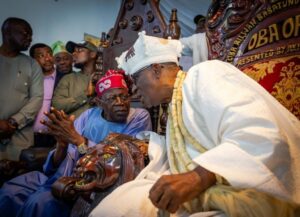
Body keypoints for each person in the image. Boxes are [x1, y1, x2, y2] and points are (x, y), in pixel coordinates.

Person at [89, 32, 300, 217]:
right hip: (208, 191)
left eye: (135, 79)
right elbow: (191, 149)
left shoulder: (205, 75)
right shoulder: (175, 100)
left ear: (155, 70)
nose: (134, 90)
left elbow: (261, 134)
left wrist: (197, 178)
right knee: (116, 206)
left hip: (251, 193)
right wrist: (148, 143)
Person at [0, 69, 152, 217]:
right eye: (112, 98)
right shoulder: (88, 115)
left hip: (93, 185)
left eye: (124, 97)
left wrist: (77, 139)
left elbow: (127, 158)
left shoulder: (138, 117)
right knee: (10, 191)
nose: (120, 103)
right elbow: (67, 157)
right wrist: (62, 145)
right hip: (64, 175)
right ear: (99, 102)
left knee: (40, 202)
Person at [0, 17, 43, 160]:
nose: (30, 38)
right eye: (25, 34)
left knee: (18, 179)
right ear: (7, 33)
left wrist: (13, 122)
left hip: (20, 139)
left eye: (31, 35)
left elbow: (37, 98)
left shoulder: (32, 64)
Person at [52, 40, 98, 118]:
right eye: (73, 51)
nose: (74, 54)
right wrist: (86, 95)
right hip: (72, 129)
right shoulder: (68, 79)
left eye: (79, 50)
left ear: (92, 54)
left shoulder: (106, 77)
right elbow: (57, 106)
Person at [29, 43, 57, 147]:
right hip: (30, 137)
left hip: (56, 138)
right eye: (41, 56)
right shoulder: (29, 80)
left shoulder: (63, 78)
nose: (48, 58)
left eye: (50, 54)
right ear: (33, 60)